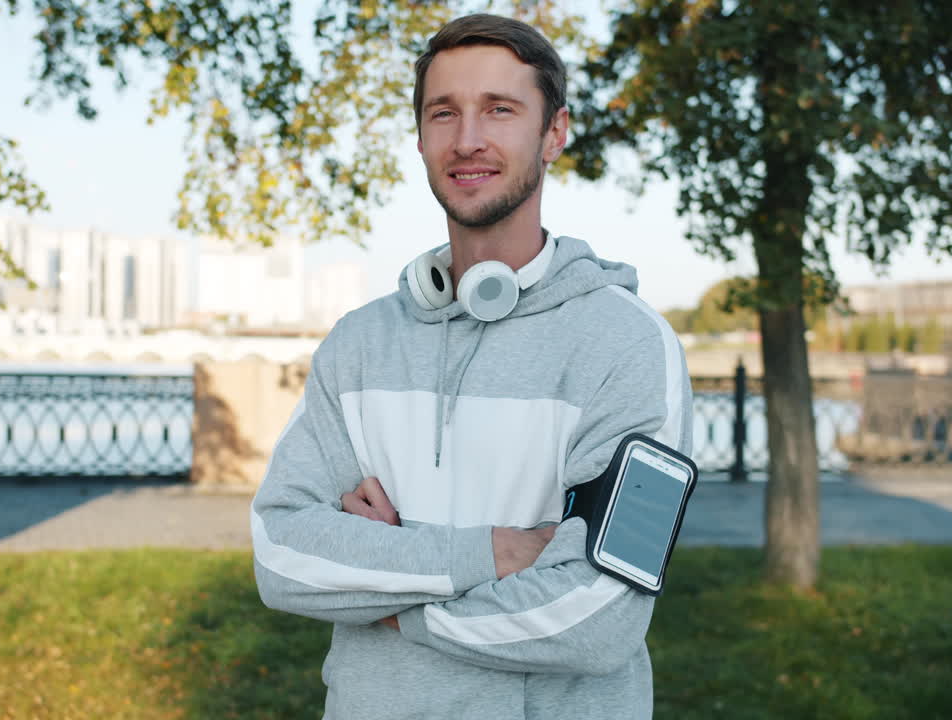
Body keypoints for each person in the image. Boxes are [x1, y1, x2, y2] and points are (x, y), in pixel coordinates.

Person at [251, 13, 692, 719]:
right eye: (443, 112)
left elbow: (598, 616)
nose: (468, 140)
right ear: (421, 136)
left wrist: (390, 599)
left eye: (500, 110)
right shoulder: (357, 345)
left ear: (554, 133)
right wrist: (495, 553)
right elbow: (283, 556)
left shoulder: (630, 345)